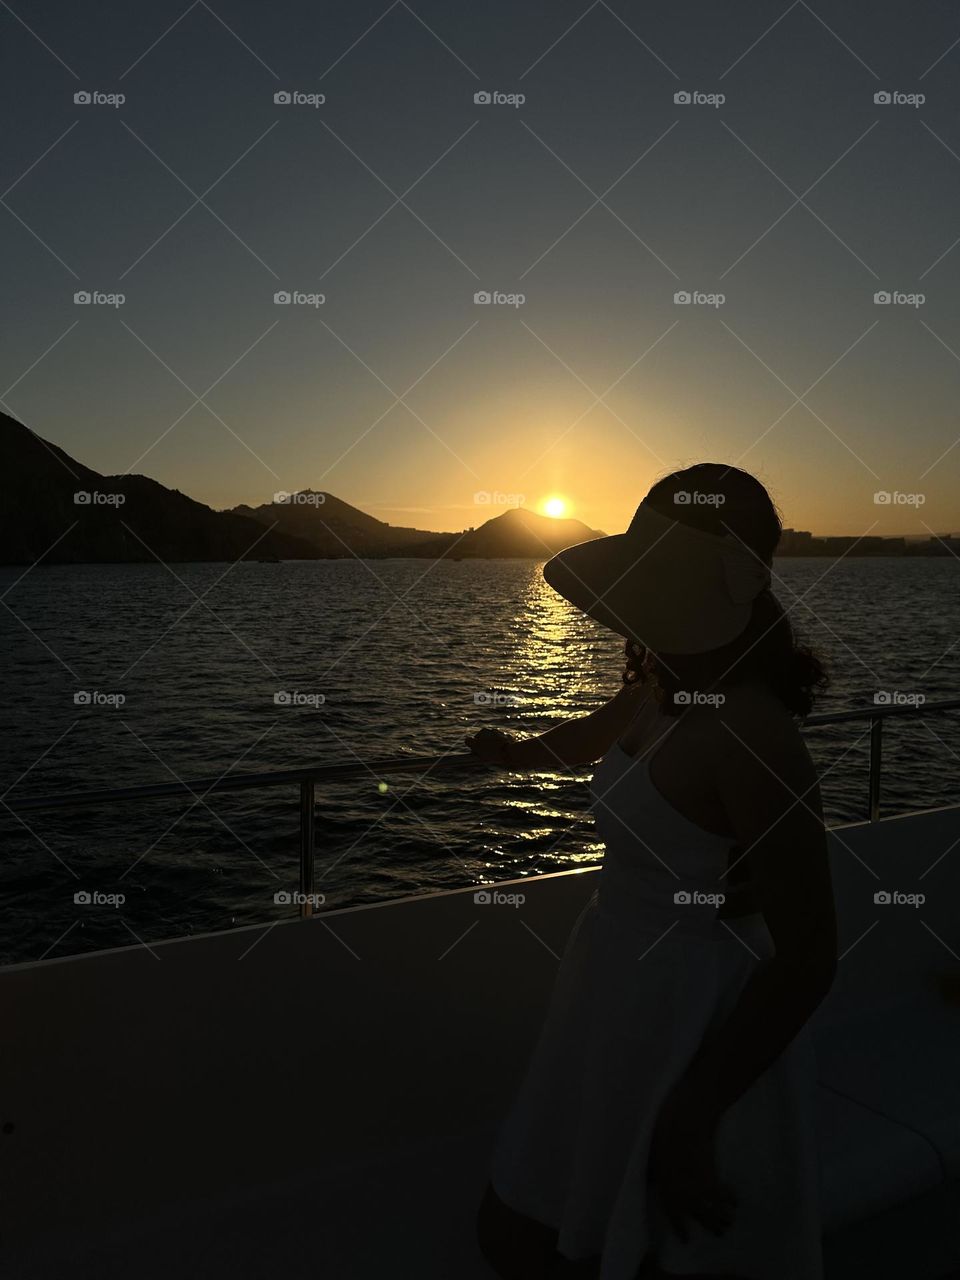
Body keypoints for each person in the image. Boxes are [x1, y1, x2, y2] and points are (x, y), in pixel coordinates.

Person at [466, 464, 837, 1280]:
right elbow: (587, 739)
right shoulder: (663, 682)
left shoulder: (756, 737)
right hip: (616, 981)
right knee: (539, 1225)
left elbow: (810, 957)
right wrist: (506, 755)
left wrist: (692, 1117)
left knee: (646, 1244)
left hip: (693, 1011)